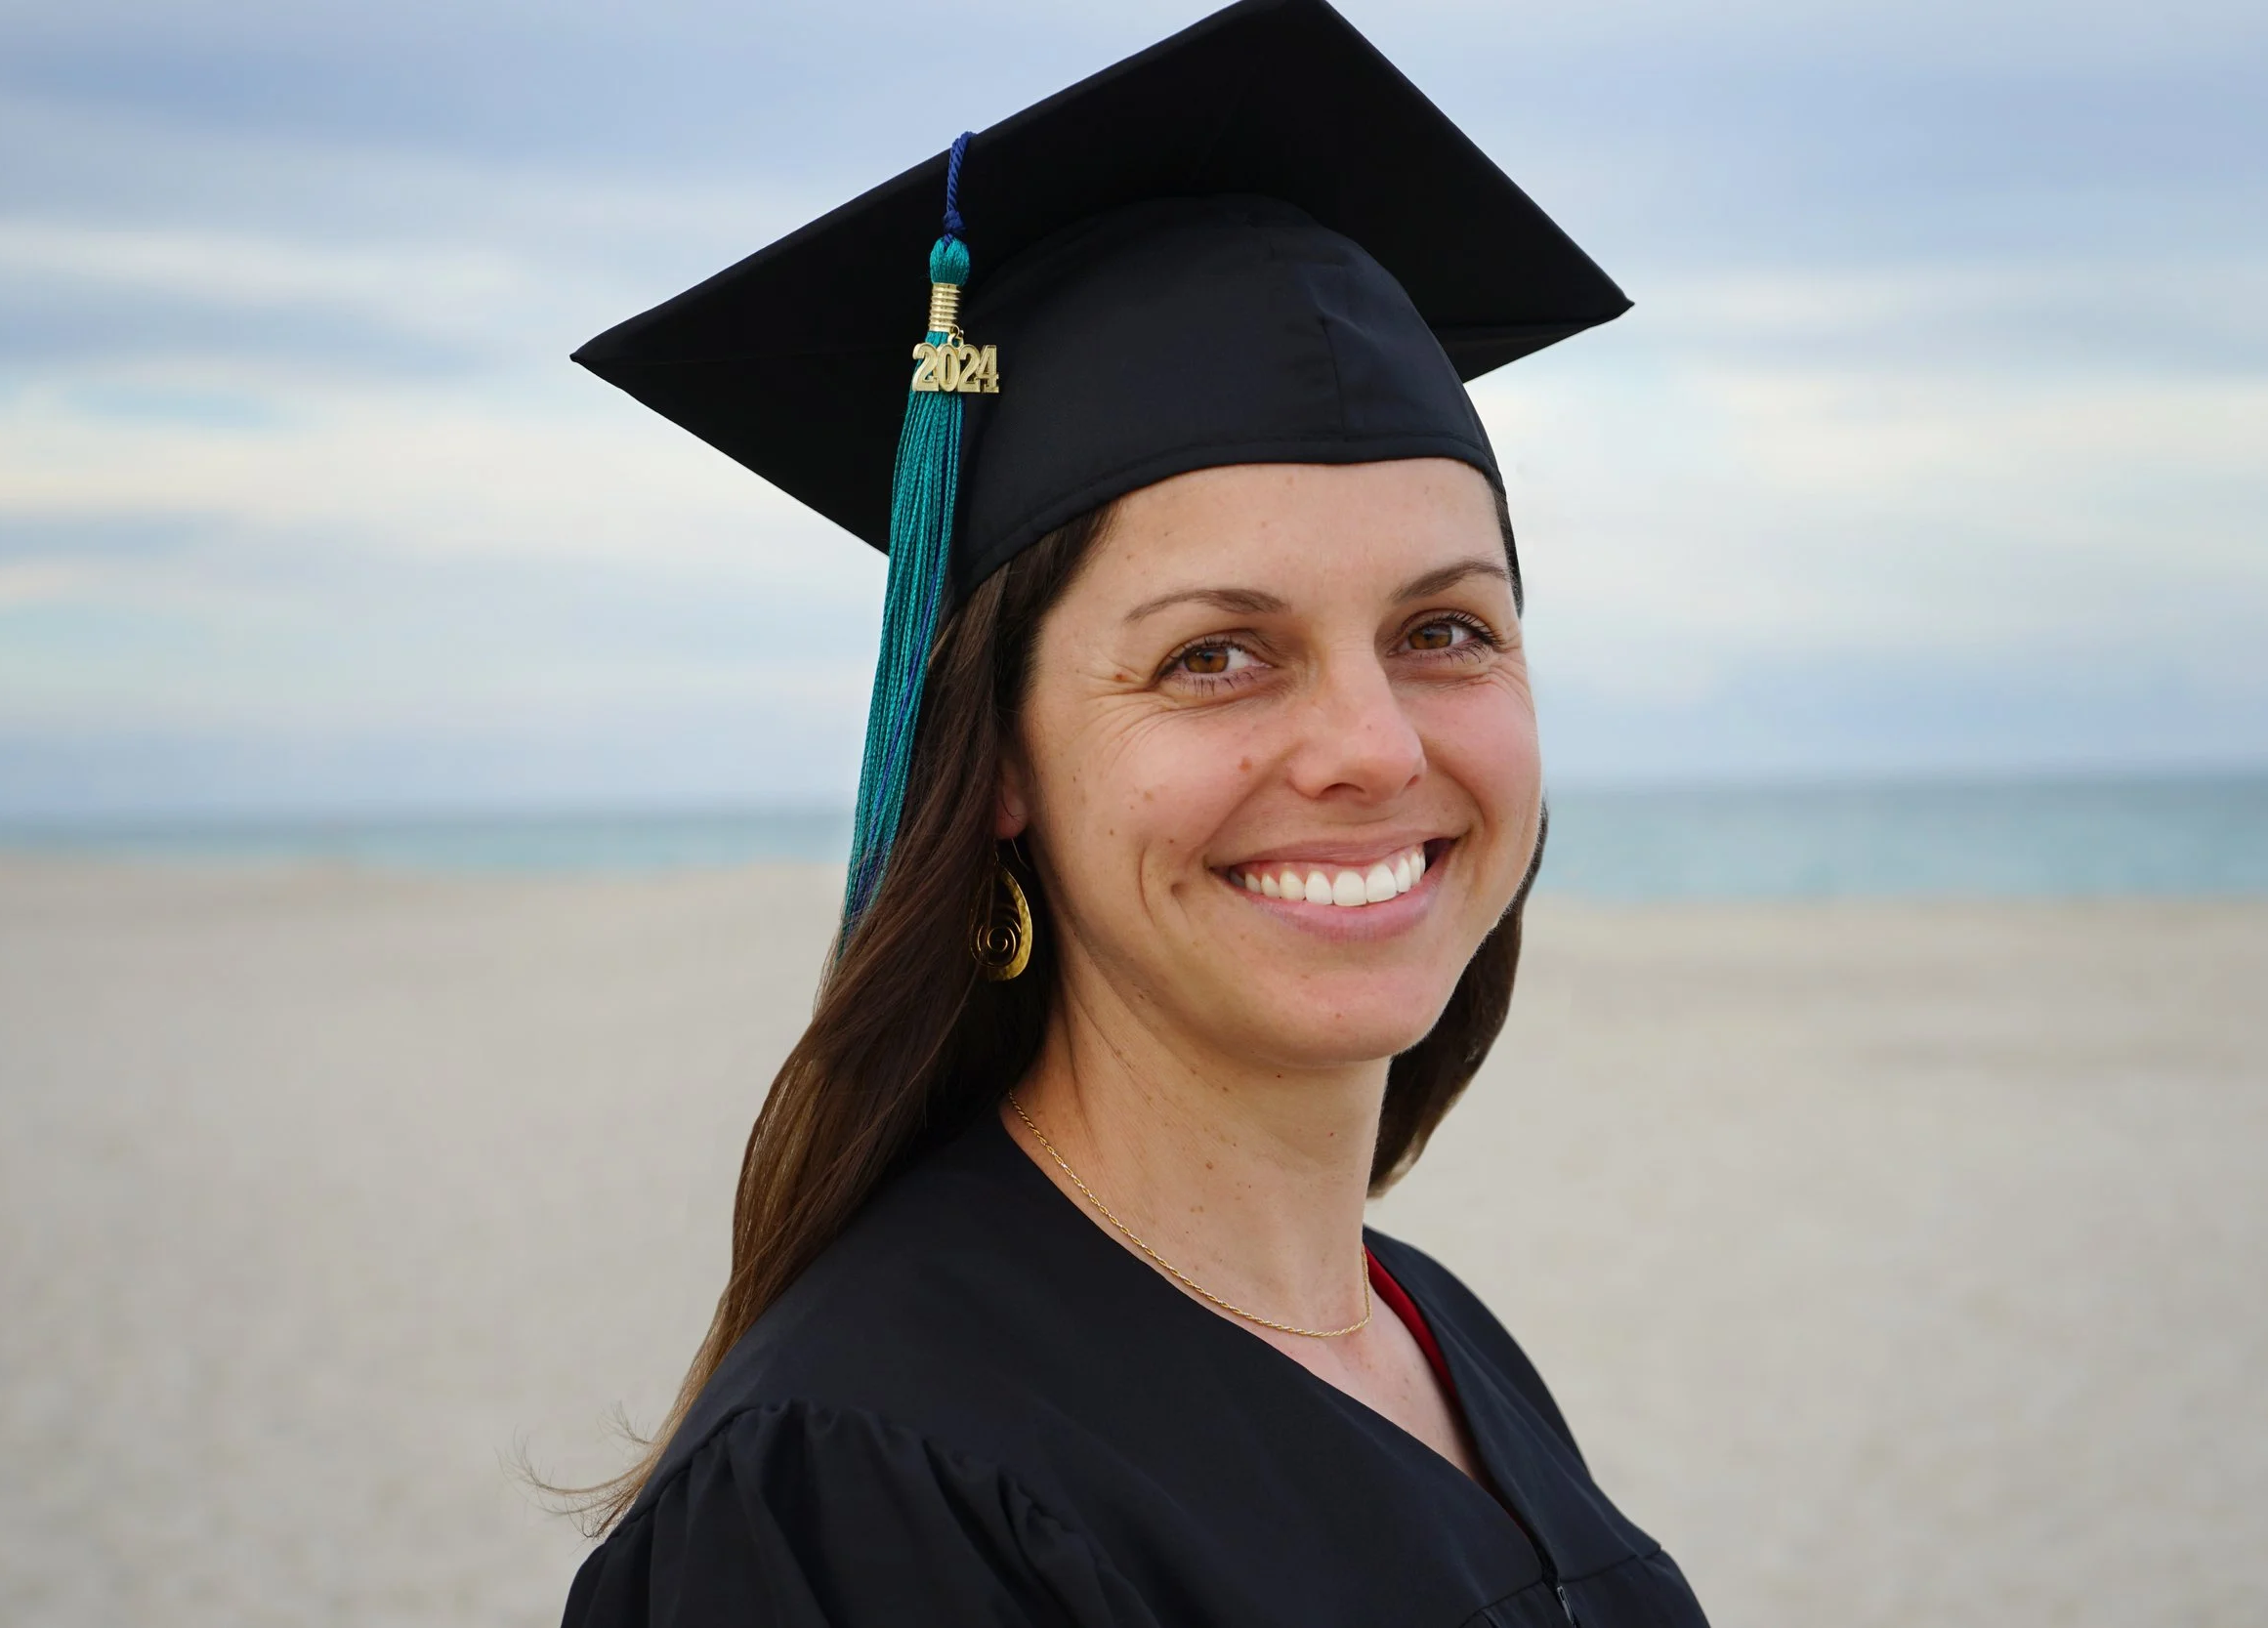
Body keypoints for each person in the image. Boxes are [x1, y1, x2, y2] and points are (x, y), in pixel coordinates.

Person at [561, 2, 1709, 1623]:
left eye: (1445, 628)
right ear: (1003, 758)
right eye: (1218, 655)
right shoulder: (862, 1483)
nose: (1371, 747)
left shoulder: (1432, 1336)